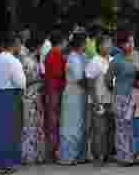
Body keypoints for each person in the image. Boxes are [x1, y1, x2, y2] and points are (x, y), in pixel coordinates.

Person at [0, 33, 26, 175]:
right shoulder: (14, 61)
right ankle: (6, 164)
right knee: (8, 130)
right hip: (8, 96)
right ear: (13, 45)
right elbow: (21, 82)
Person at [58, 33, 88, 166]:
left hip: (80, 94)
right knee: (71, 125)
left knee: (80, 125)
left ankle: (78, 155)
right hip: (73, 93)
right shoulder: (73, 58)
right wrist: (91, 87)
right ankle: (67, 156)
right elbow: (79, 78)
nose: (86, 45)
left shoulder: (82, 57)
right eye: (85, 42)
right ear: (81, 44)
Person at [84, 36, 114, 165]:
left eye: (110, 43)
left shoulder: (112, 60)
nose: (110, 46)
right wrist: (95, 102)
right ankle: (98, 156)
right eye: (107, 44)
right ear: (100, 46)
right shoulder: (95, 61)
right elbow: (90, 84)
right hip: (99, 100)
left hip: (111, 100)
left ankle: (107, 154)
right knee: (99, 130)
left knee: (110, 129)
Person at [110, 31, 137, 165]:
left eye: (132, 42)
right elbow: (108, 79)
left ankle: (132, 155)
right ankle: (123, 157)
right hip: (121, 96)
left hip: (134, 96)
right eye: (129, 42)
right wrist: (115, 93)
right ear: (122, 44)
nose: (132, 44)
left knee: (131, 126)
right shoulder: (116, 60)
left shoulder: (135, 56)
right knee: (121, 126)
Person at [19, 36, 45, 165]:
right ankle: (28, 155)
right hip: (30, 97)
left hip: (35, 97)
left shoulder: (33, 60)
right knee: (29, 127)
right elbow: (24, 81)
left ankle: (33, 154)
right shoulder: (27, 61)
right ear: (37, 47)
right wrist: (38, 80)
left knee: (34, 126)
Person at [43, 30, 67, 163]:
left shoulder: (49, 54)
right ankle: (52, 152)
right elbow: (58, 74)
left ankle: (51, 151)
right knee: (54, 122)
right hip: (55, 90)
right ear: (61, 42)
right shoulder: (56, 54)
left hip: (50, 90)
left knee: (51, 121)